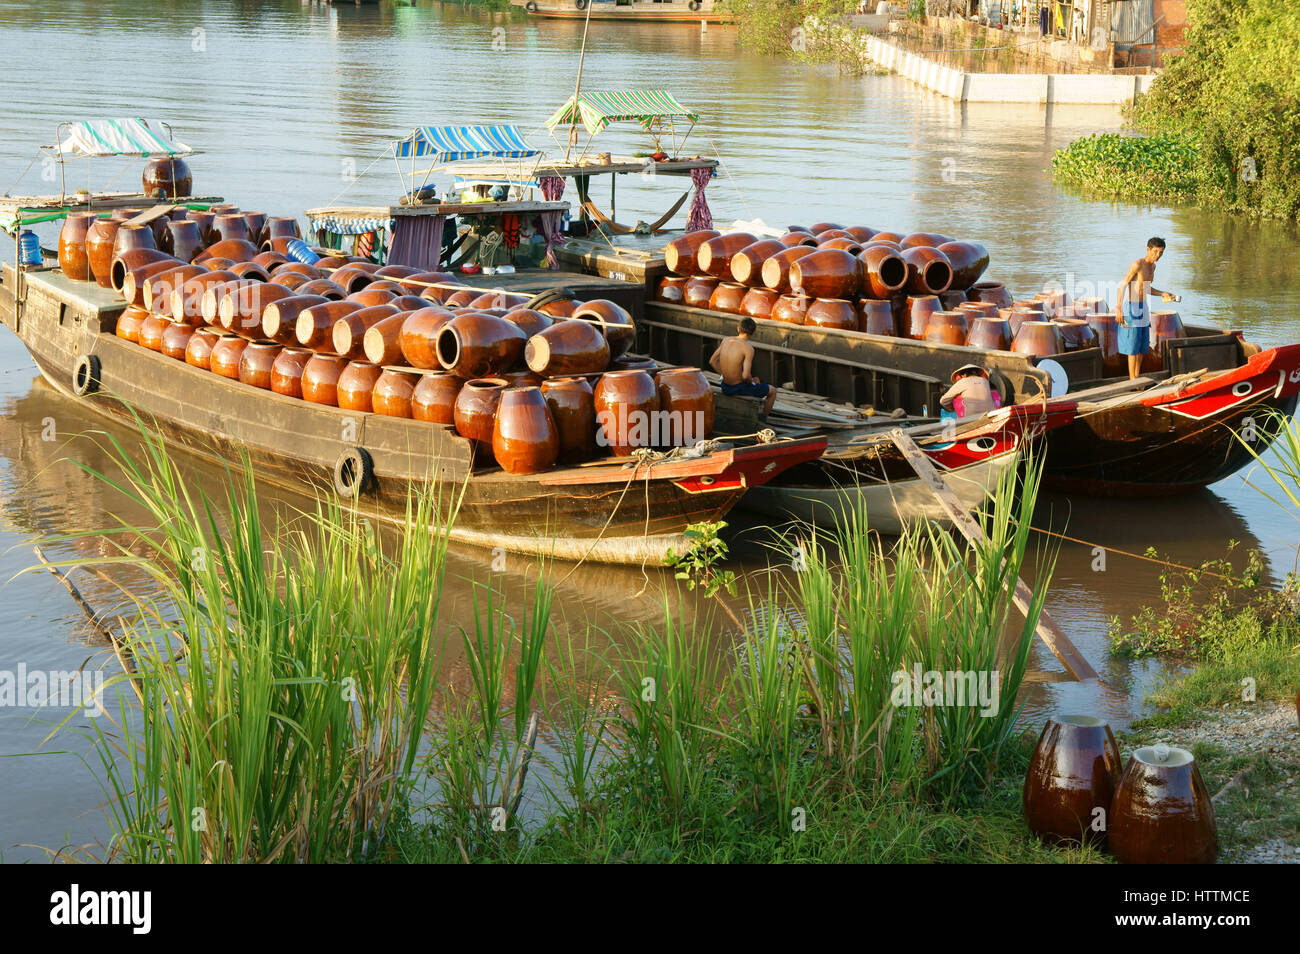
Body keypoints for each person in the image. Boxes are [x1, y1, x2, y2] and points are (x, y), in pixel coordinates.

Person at [1116, 237, 1180, 380]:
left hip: (1143, 307)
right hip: (1131, 308)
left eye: (1161, 252)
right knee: (1132, 347)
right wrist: (1119, 308)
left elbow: (1145, 288)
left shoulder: (1153, 267)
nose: (1158, 255)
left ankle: (1137, 378)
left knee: (1141, 346)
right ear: (1148, 250)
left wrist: (1162, 293)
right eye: (1155, 251)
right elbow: (1122, 285)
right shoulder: (1137, 265)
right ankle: (1132, 381)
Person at [709, 317, 777, 417]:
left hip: (725, 386)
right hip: (738, 389)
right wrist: (754, 381)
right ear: (753, 333)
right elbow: (745, 376)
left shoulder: (726, 340)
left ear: (738, 328)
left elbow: (712, 361)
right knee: (772, 391)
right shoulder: (748, 348)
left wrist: (725, 375)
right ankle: (762, 419)